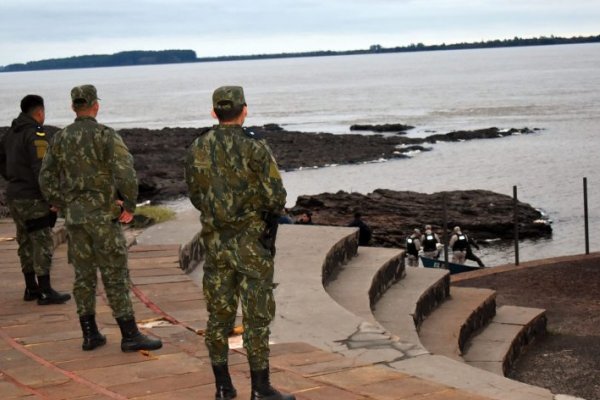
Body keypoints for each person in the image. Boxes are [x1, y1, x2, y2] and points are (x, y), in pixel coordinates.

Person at [184, 86, 294, 400]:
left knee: (219, 316)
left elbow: (195, 196)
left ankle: (222, 387)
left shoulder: (197, 147)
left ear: (213, 112)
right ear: (244, 110)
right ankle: (260, 389)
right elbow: (277, 198)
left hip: (216, 245)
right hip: (251, 246)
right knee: (257, 317)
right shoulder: (256, 148)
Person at [39, 84, 162, 353]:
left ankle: (90, 333)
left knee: (83, 276)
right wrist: (129, 203)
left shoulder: (60, 138)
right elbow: (126, 172)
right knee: (115, 274)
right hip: (103, 217)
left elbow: (45, 176)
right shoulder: (106, 136)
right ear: (95, 105)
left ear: (73, 107)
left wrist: (62, 201)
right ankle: (129, 335)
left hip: (76, 218)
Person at [0, 94, 71, 305]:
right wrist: (52, 198)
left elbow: (0, 161)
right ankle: (46, 290)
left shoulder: (10, 134)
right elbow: (41, 169)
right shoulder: (36, 134)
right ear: (39, 112)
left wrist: (14, 178)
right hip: (33, 197)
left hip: (14, 195)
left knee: (24, 241)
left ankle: (31, 288)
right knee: (41, 241)